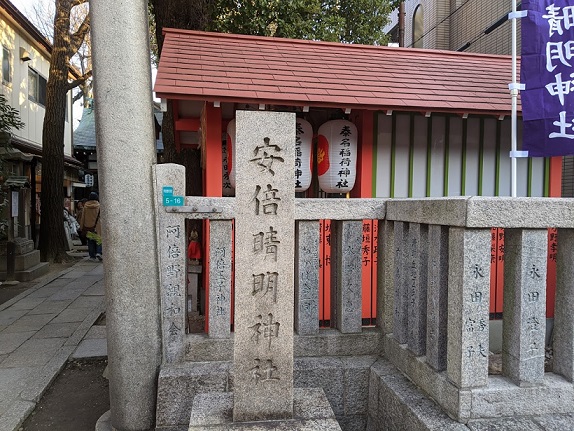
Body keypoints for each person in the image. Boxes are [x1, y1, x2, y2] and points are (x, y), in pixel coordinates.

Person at [80, 192, 102, 261]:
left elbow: (82, 217)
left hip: (88, 226)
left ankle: (92, 256)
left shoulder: (86, 206)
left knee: (90, 241)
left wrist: (81, 227)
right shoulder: (99, 206)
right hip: (97, 226)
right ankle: (98, 252)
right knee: (98, 239)